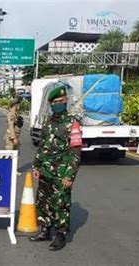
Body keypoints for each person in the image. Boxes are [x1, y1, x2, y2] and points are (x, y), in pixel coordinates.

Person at [29, 85, 81, 251]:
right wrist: (36, 165)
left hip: (61, 173)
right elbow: (43, 146)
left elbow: (75, 152)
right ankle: (45, 230)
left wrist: (69, 176)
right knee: (43, 202)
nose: (58, 104)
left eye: (61, 101)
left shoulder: (73, 123)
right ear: (51, 104)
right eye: (55, 102)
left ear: (66, 101)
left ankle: (60, 235)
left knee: (60, 204)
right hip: (45, 171)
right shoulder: (48, 121)